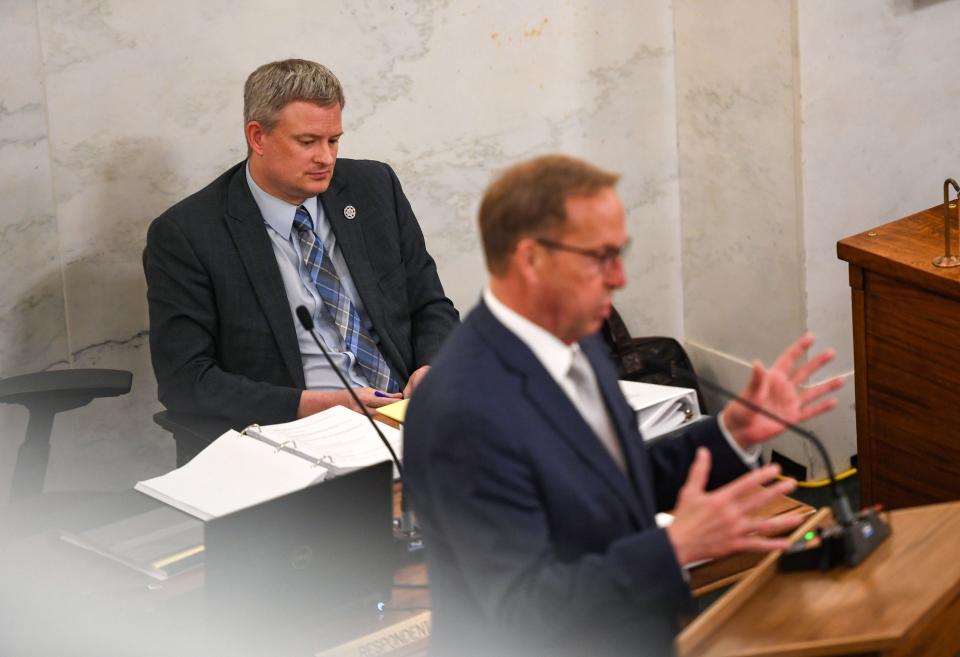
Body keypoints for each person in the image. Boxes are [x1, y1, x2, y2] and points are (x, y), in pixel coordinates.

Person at [404, 155, 843, 657]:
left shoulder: (580, 337)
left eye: (621, 252)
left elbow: (619, 480)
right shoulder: (462, 410)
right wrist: (675, 547)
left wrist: (732, 432)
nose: (620, 277)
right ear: (531, 260)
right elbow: (522, 609)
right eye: (601, 256)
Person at [145, 59, 458, 462]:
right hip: (303, 434)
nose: (326, 158)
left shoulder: (373, 188)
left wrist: (432, 367)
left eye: (334, 141)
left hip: (404, 410)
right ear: (258, 137)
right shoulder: (189, 234)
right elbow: (186, 381)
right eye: (308, 142)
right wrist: (319, 404)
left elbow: (429, 303)